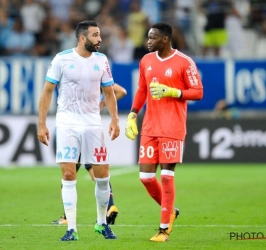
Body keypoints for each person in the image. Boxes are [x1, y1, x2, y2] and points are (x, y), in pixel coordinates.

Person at [37, 20, 120, 241]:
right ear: (82, 38)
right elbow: (47, 92)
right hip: (67, 124)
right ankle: (71, 229)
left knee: (102, 177)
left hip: (93, 124)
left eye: (99, 34)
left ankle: (102, 224)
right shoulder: (62, 59)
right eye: (95, 35)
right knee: (68, 174)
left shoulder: (102, 61)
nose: (99, 39)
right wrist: (42, 124)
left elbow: (110, 93)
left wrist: (114, 120)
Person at [125, 22, 203, 242]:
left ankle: (163, 229)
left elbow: (198, 92)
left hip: (172, 127)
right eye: (148, 37)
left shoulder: (184, 62)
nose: (148, 41)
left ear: (165, 39)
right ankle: (171, 211)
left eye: (152, 38)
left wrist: (173, 91)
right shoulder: (146, 61)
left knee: (167, 176)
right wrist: (132, 114)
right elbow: (142, 88)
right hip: (150, 127)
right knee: (146, 177)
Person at [52, 83, 127, 226]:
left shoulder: (76, 77)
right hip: (91, 129)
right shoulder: (96, 77)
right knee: (96, 173)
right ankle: (110, 206)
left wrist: (103, 102)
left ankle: (67, 217)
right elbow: (122, 91)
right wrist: (103, 103)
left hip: (74, 129)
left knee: (68, 176)